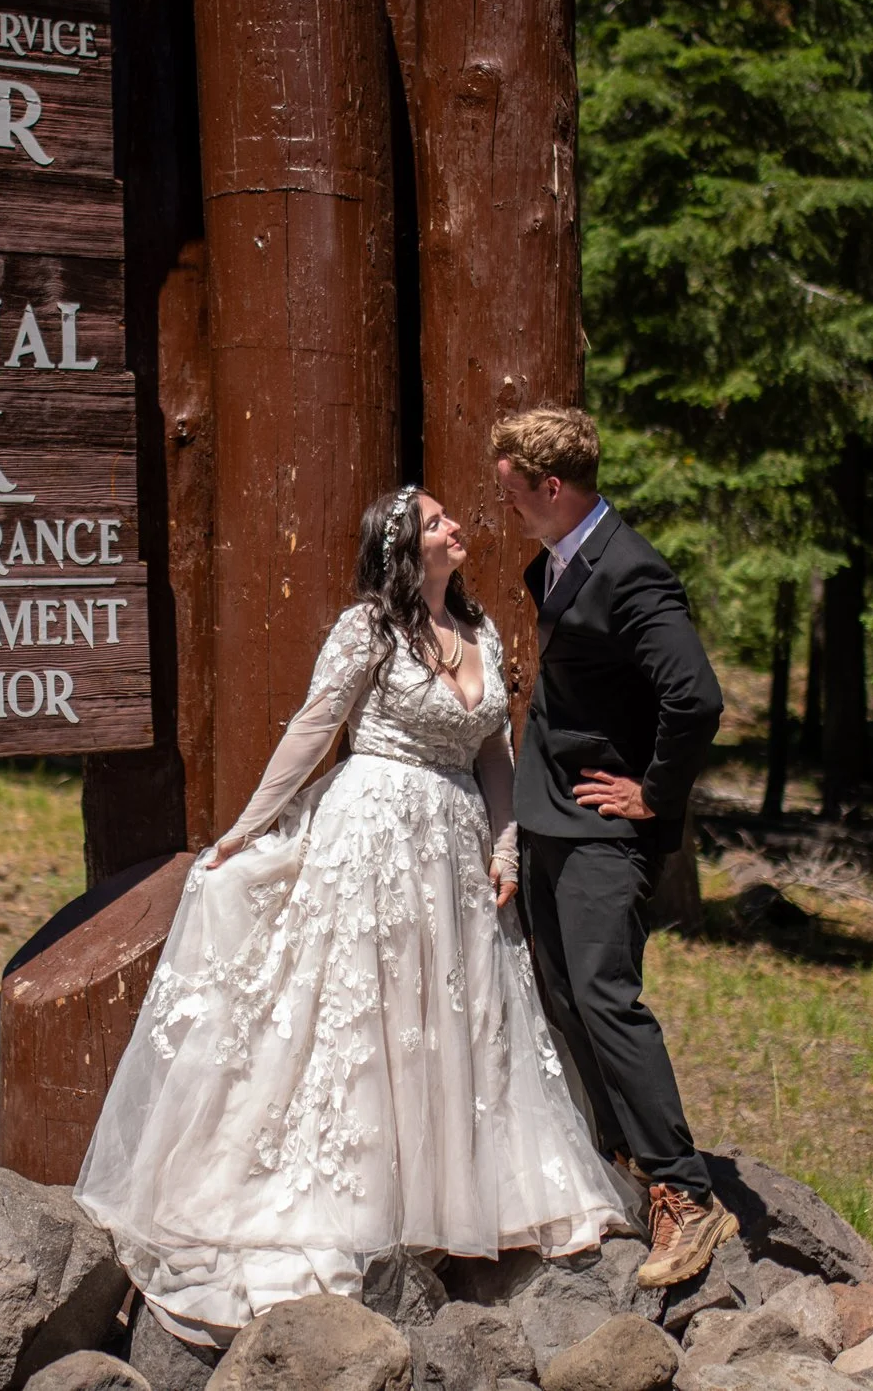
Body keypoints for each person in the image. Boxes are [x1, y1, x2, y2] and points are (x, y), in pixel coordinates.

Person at [74, 486, 627, 1345]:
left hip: (452, 844)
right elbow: (312, 728)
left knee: (453, 1015)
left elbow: (493, 750)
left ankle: (460, 1200)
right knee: (364, 1017)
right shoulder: (367, 628)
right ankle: (359, 1203)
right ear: (406, 544)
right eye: (438, 520)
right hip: (371, 834)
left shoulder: (479, 629)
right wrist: (247, 827)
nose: (456, 526)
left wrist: (505, 843)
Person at [490, 406, 735, 1290]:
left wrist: (654, 792)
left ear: (551, 487)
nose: (505, 505)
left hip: (604, 832)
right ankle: (624, 1163)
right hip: (554, 818)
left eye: (513, 490)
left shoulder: (633, 572)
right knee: (562, 995)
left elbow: (695, 697)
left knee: (605, 995)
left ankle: (686, 1189)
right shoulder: (558, 560)